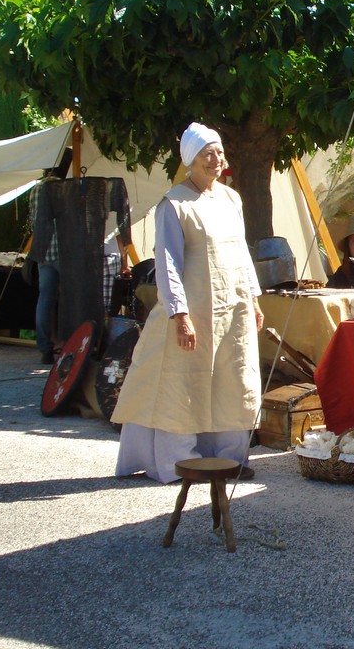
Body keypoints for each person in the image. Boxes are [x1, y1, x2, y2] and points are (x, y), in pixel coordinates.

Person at [111, 123, 264, 483]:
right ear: (191, 160)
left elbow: (241, 252)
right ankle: (179, 461)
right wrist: (179, 314)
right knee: (182, 383)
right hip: (192, 311)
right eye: (207, 154)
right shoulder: (174, 204)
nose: (216, 159)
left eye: (219, 152)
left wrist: (254, 297)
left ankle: (229, 459)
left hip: (232, 308)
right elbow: (168, 264)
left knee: (232, 380)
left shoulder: (231, 199)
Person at [27, 167, 63, 364]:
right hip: (64, 252)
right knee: (70, 299)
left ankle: (45, 349)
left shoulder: (35, 189)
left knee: (45, 300)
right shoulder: (63, 187)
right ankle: (70, 345)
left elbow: (33, 222)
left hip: (43, 251)